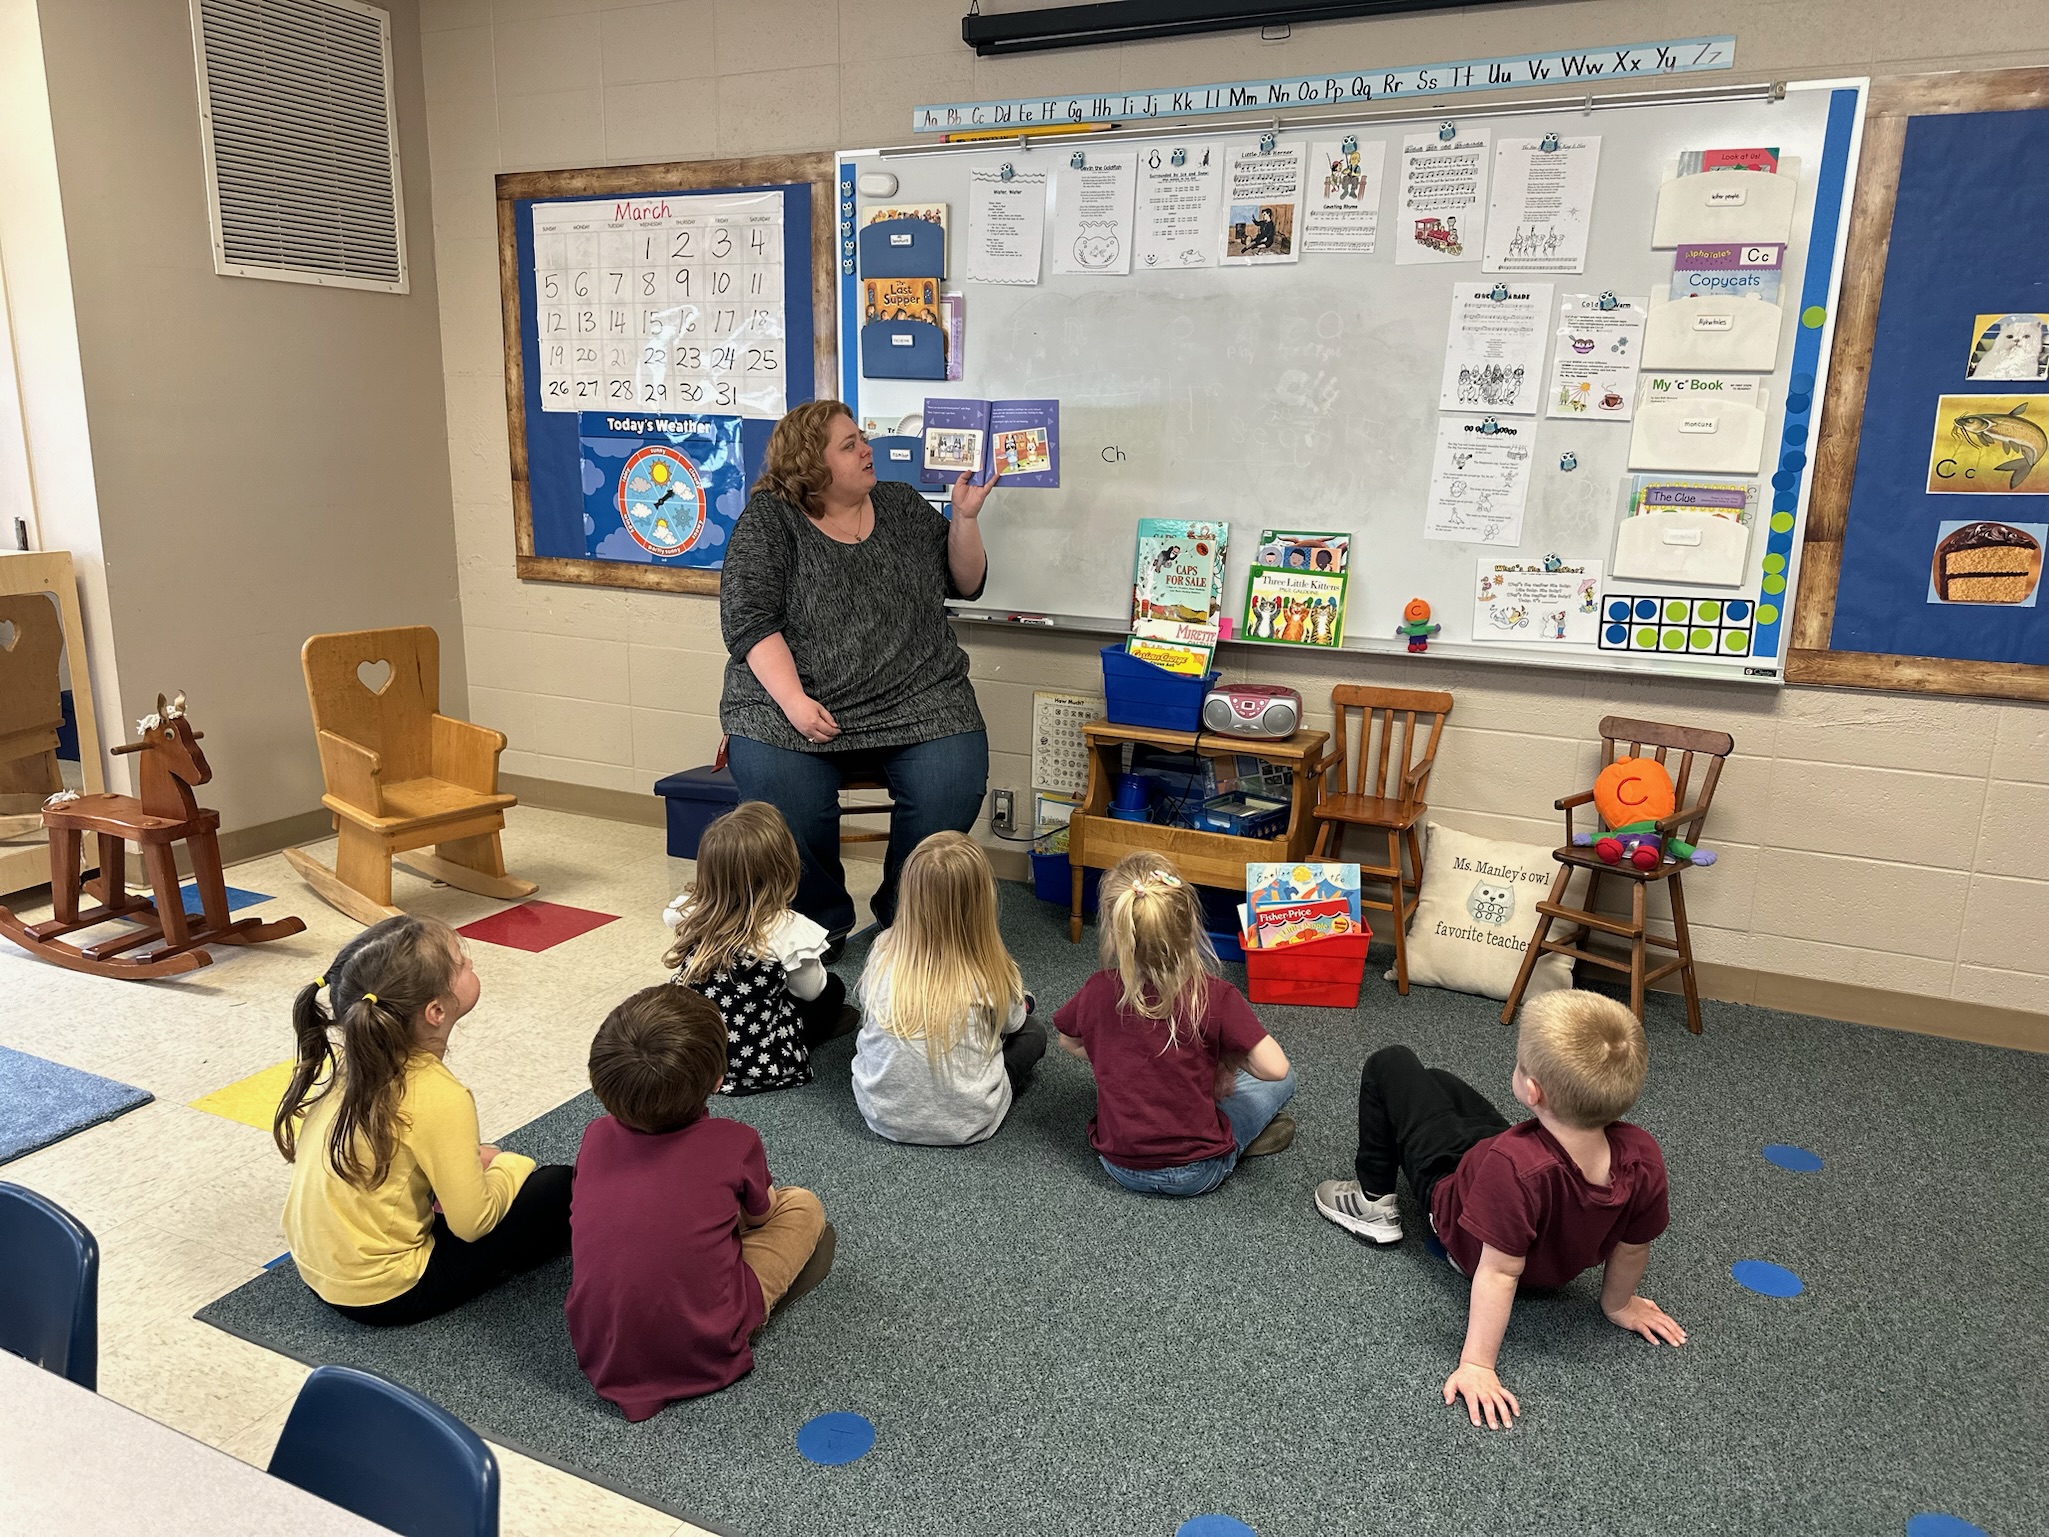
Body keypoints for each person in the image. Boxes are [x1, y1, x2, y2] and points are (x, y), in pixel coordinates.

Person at [1313, 992, 1683, 1430]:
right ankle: (1433, 1102)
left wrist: (1478, 1364)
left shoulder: (1513, 1165)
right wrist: (1618, 1305)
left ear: (1532, 1090)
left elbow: (1499, 1273)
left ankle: (1372, 1204)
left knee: (1391, 1062)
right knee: (1439, 1082)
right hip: (1505, 1167)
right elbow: (1633, 1246)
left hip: (1451, 1189)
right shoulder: (1643, 1155)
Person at [718, 399, 1000, 951]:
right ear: (810, 464)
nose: (868, 448)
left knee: (953, 786)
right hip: (792, 702)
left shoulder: (898, 503)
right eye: (850, 444)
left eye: (862, 437)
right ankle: (819, 928)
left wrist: (965, 519)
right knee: (787, 806)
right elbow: (750, 622)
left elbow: (965, 583)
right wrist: (795, 702)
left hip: (917, 696)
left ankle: (905, 920)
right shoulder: (770, 520)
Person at [276, 916, 572, 1326]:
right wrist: (509, 1164)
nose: (471, 962)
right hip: (386, 1294)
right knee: (559, 1185)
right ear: (435, 1011)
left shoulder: (358, 1061)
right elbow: (474, 1224)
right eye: (461, 963)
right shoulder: (439, 1096)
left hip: (315, 1265)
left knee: (468, 1176)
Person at [566, 985, 833, 1421]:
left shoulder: (594, 1136)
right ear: (716, 1079)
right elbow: (761, 1214)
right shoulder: (735, 1141)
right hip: (705, 1343)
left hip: (602, 1347)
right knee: (802, 1205)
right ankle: (747, 1310)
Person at [1053, 852, 1296, 1196]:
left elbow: (1067, 1040)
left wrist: (1117, 1057)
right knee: (1282, 1081)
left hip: (1119, 1165)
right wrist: (1226, 1060)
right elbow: (1276, 1069)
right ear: (1191, 926)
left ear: (1114, 930)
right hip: (1197, 1172)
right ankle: (1234, 1143)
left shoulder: (1097, 989)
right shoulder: (1215, 995)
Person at [851, 831, 1044, 1145]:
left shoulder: (883, 950)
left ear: (908, 897)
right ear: (983, 902)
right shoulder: (990, 969)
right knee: (1033, 1032)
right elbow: (1014, 1025)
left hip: (881, 1114)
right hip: (969, 1120)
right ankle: (1021, 1001)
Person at [663, 801, 859, 1096]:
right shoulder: (786, 928)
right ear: (784, 868)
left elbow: (669, 916)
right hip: (755, 1057)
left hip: (695, 1045)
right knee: (833, 990)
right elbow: (810, 991)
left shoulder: (690, 910)